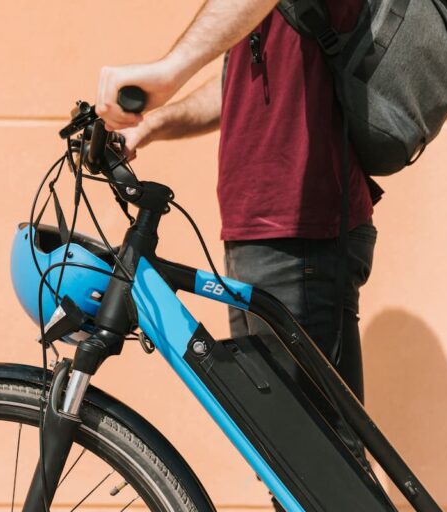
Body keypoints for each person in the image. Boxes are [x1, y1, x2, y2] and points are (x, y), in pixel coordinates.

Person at [96, 1, 380, 509]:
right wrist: (152, 124)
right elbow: (236, 88)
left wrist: (168, 71)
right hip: (263, 230)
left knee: (319, 471)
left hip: (298, 229)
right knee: (290, 464)